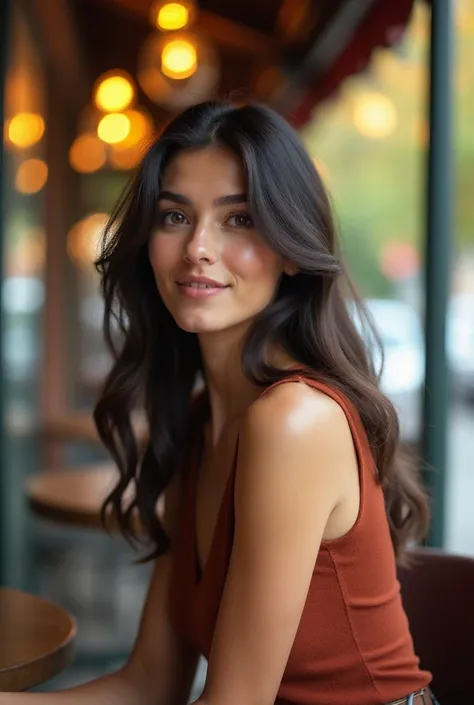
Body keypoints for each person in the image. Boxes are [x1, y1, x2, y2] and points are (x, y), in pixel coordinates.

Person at [3, 101, 437, 705]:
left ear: (291, 248)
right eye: (175, 216)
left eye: (239, 220)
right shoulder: (202, 416)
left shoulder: (295, 421)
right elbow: (150, 683)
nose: (198, 249)